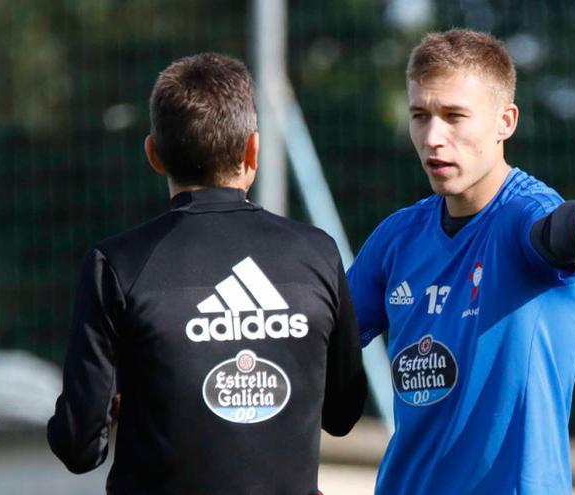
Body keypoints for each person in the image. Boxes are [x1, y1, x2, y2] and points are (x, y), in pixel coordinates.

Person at [347, 29, 575, 494]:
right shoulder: (397, 236)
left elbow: (558, 227)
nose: (433, 137)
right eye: (420, 116)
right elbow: (314, 343)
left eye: (455, 116)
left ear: (505, 121)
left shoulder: (524, 213)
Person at [47, 52, 367, 495]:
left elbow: (77, 446)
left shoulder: (116, 265)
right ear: (252, 149)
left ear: (154, 154)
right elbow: (343, 412)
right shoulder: (317, 254)